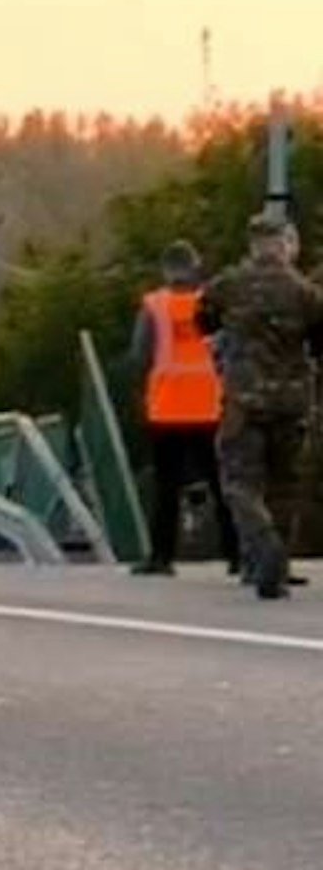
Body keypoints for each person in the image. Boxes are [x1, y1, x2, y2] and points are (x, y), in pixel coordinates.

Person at [196, 213, 323, 599]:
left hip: (244, 399)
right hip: (292, 400)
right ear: (286, 243)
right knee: (284, 484)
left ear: (253, 245)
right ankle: (275, 566)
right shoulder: (304, 292)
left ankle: (262, 545)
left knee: (240, 482)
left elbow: (202, 319)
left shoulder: (230, 285)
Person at [128, 241, 237, 577]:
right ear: (196, 265)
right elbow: (231, 349)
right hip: (209, 407)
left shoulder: (154, 307)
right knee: (224, 485)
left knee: (166, 487)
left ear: (165, 270)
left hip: (167, 409)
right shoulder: (213, 304)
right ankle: (237, 554)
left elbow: (140, 356)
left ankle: (161, 556)